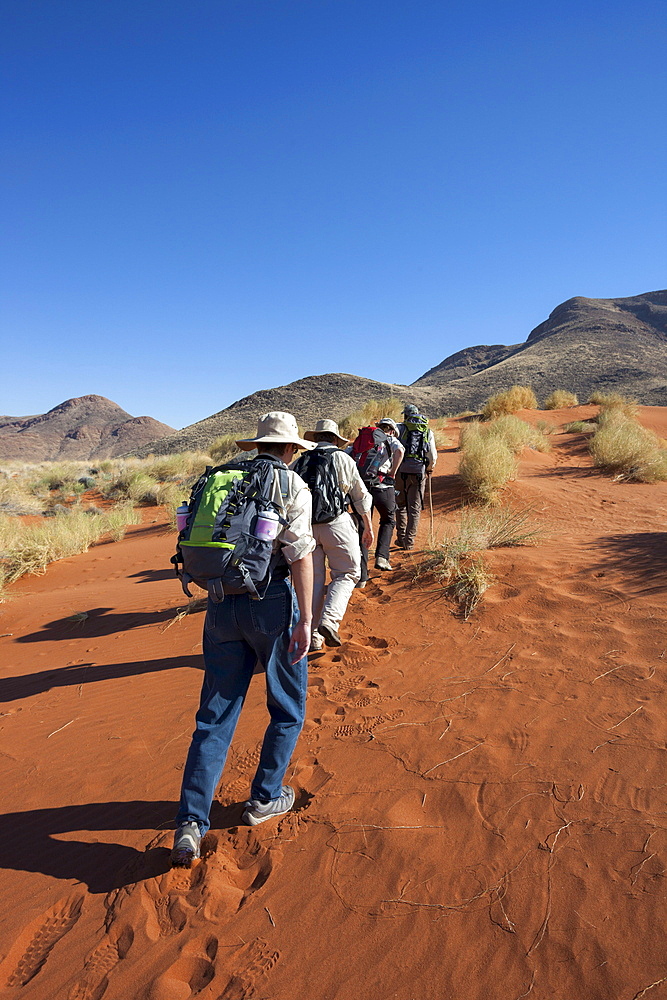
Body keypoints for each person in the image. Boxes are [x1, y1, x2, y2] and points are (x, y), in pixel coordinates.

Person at [172, 412, 316, 867]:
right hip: (270, 601)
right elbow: (301, 556)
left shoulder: (222, 477)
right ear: (291, 448)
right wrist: (306, 620)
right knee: (287, 708)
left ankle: (191, 824)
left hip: (219, 602)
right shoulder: (290, 484)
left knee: (213, 717)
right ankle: (264, 799)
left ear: (257, 445)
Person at [293, 419, 373, 650]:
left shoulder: (300, 462)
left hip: (306, 529)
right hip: (336, 523)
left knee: (314, 581)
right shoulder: (343, 458)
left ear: (315, 439)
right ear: (335, 440)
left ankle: (314, 636)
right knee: (347, 573)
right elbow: (360, 496)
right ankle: (329, 621)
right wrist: (367, 526)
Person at [348, 416, 405, 581]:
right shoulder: (390, 439)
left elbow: (347, 453)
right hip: (382, 486)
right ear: (392, 430)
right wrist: (393, 472)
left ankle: (362, 576)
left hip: (361, 489)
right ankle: (382, 556)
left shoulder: (363, 439)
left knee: (363, 527)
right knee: (388, 520)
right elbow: (400, 451)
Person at [395, 404, 438, 551]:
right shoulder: (427, 430)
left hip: (400, 472)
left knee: (400, 505)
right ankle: (409, 541)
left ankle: (400, 537)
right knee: (414, 508)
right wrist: (430, 468)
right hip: (419, 473)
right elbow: (432, 455)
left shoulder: (399, 428)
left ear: (405, 415)